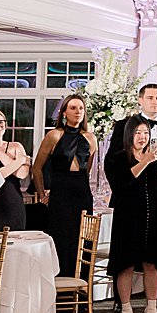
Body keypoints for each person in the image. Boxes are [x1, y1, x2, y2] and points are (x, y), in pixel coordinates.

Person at [109, 85, 157, 310]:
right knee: (128, 248)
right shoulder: (124, 126)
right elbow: (115, 161)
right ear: (140, 100)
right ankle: (121, 301)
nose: (155, 101)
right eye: (150, 97)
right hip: (133, 194)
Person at [105, 119, 157, 313]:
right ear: (129, 135)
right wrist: (144, 161)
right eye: (138, 133)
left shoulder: (153, 157)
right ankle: (126, 308)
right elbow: (122, 183)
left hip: (152, 215)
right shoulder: (117, 158)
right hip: (127, 217)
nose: (142, 137)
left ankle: (151, 307)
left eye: (145, 133)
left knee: (152, 263)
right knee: (125, 264)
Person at [31, 94, 98, 280]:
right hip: (60, 191)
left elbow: (87, 170)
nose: (78, 112)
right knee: (61, 238)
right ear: (64, 113)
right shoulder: (54, 135)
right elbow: (36, 168)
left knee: (82, 239)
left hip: (82, 192)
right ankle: (59, 285)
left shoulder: (91, 138)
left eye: (81, 109)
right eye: (73, 108)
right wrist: (42, 194)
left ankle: (81, 283)